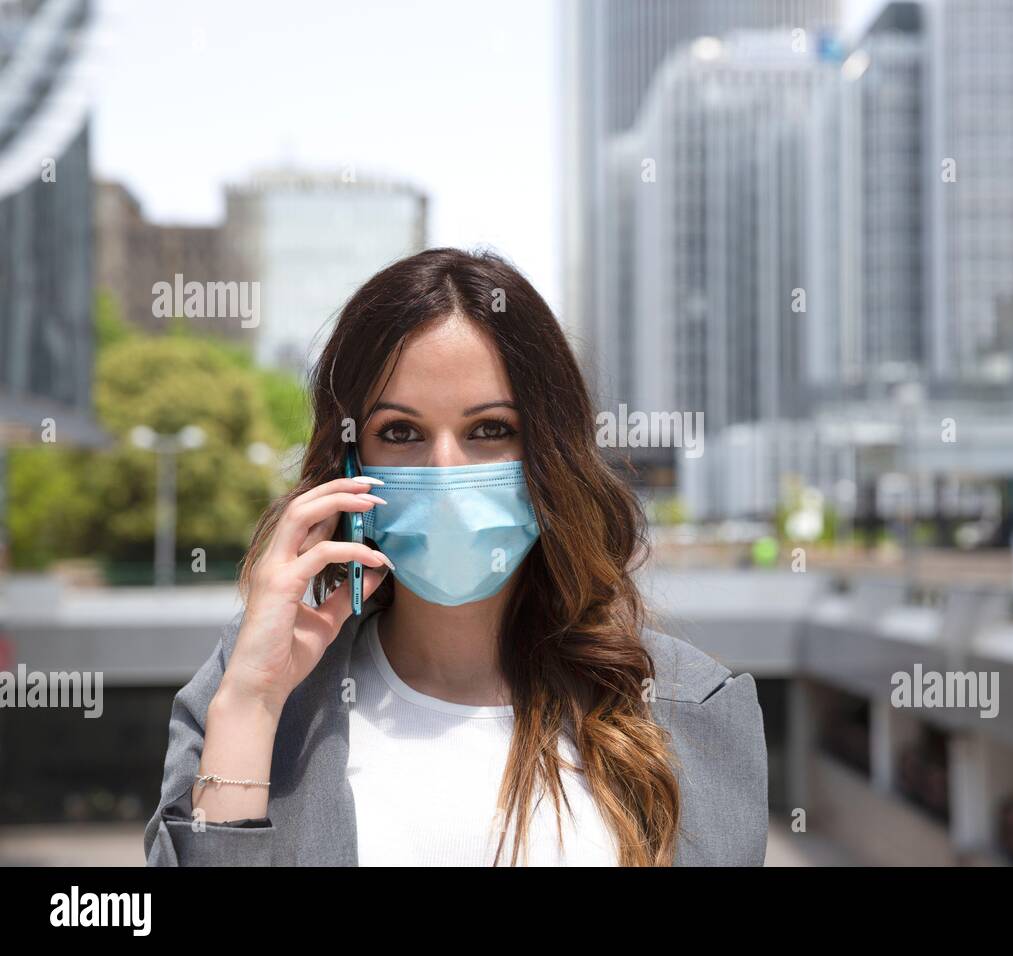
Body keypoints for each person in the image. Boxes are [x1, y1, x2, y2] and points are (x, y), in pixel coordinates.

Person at [143, 247, 768, 866]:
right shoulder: (251, 690)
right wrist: (252, 707)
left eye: (490, 429)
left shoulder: (691, 706)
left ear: (551, 452)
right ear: (348, 464)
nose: (446, 470)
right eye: (401, 433)